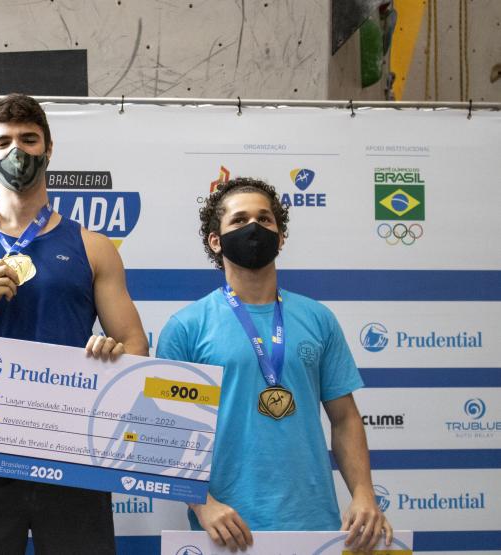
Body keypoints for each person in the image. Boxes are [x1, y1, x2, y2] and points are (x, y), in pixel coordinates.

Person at [0, 93, 149, 554]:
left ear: (48, 148)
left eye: (29, 139)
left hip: (73, 455)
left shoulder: (93, 246)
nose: (16, 151)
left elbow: (135, 345)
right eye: (3, 142)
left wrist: (113, 355)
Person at [156, 177, 392, 552]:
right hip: (225, 530)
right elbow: (167, 431)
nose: (254, 228)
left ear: (280, 237)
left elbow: (345, 418)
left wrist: (363, 493)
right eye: (239, 220)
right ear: (215, 241)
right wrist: (202, 505)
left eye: (265, 219)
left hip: (314, 525)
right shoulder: (186, 327)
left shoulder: (318, 319)